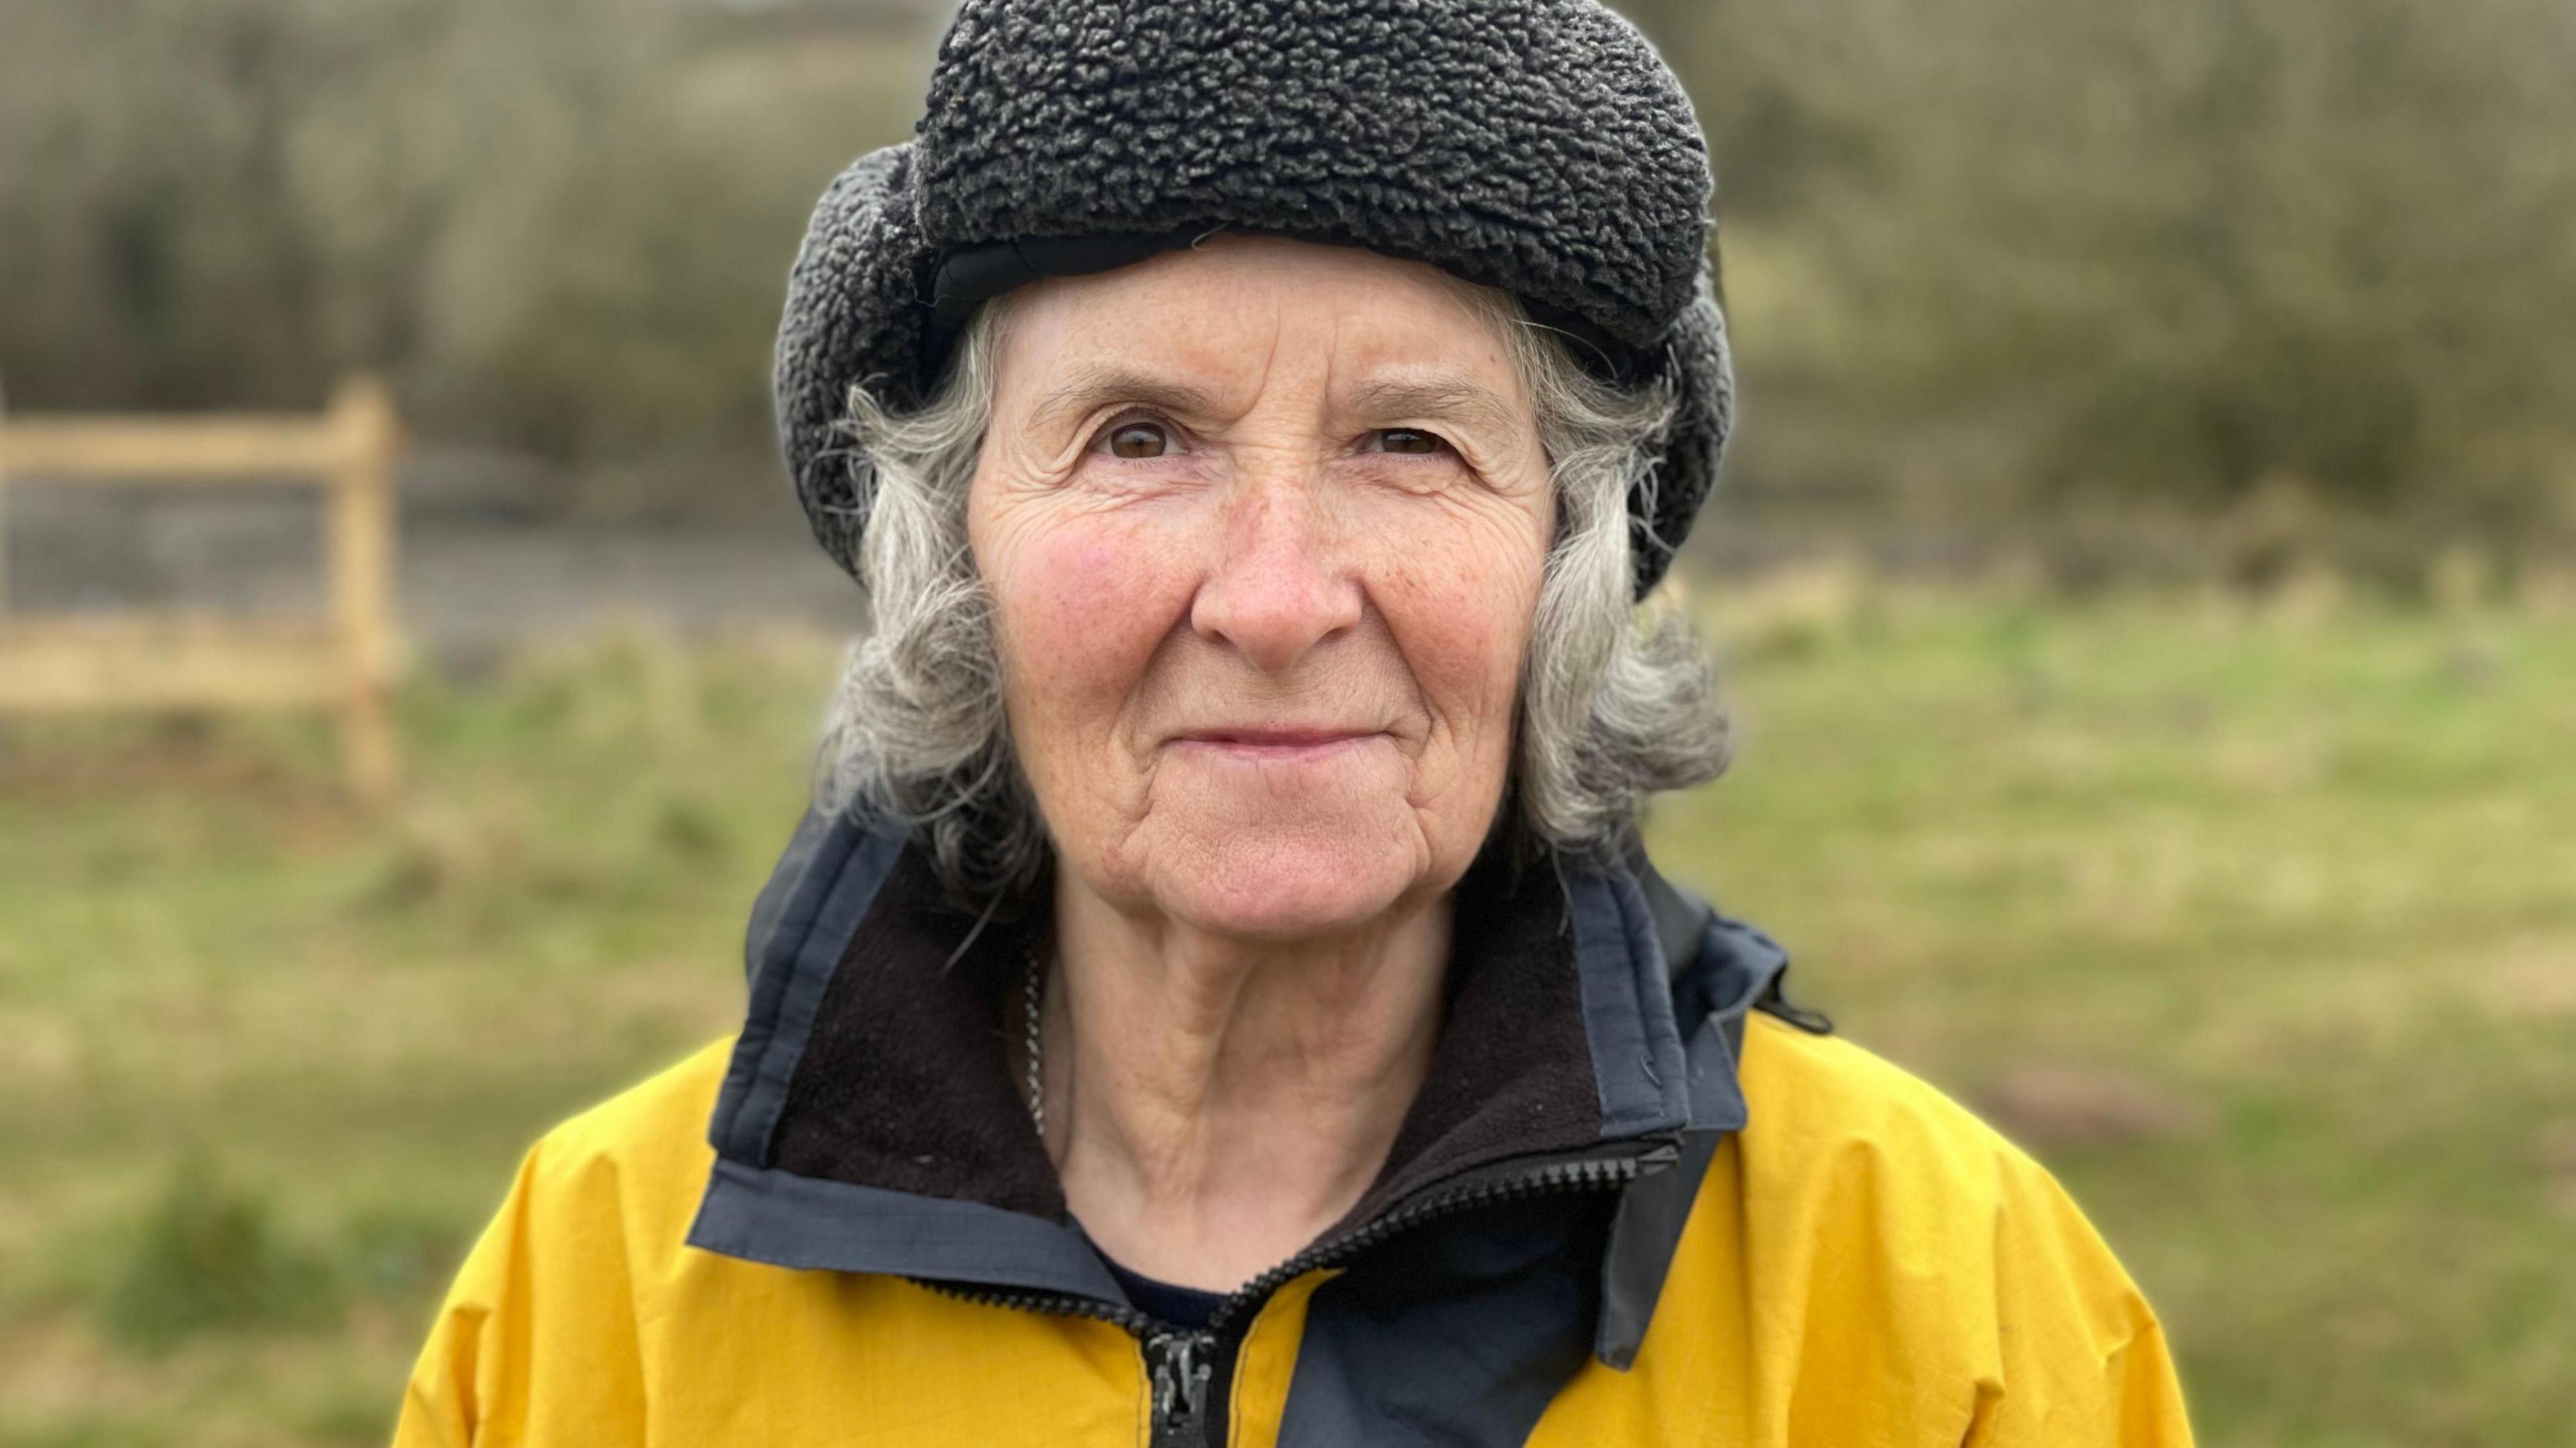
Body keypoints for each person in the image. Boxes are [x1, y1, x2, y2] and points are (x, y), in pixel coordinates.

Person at [394, 2, 2194, 1444]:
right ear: (955, 559)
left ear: (1560, 569)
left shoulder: (1932, 1312)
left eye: (1408, 444)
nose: (1273, 597)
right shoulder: (596, 1308)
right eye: (1138, 440)